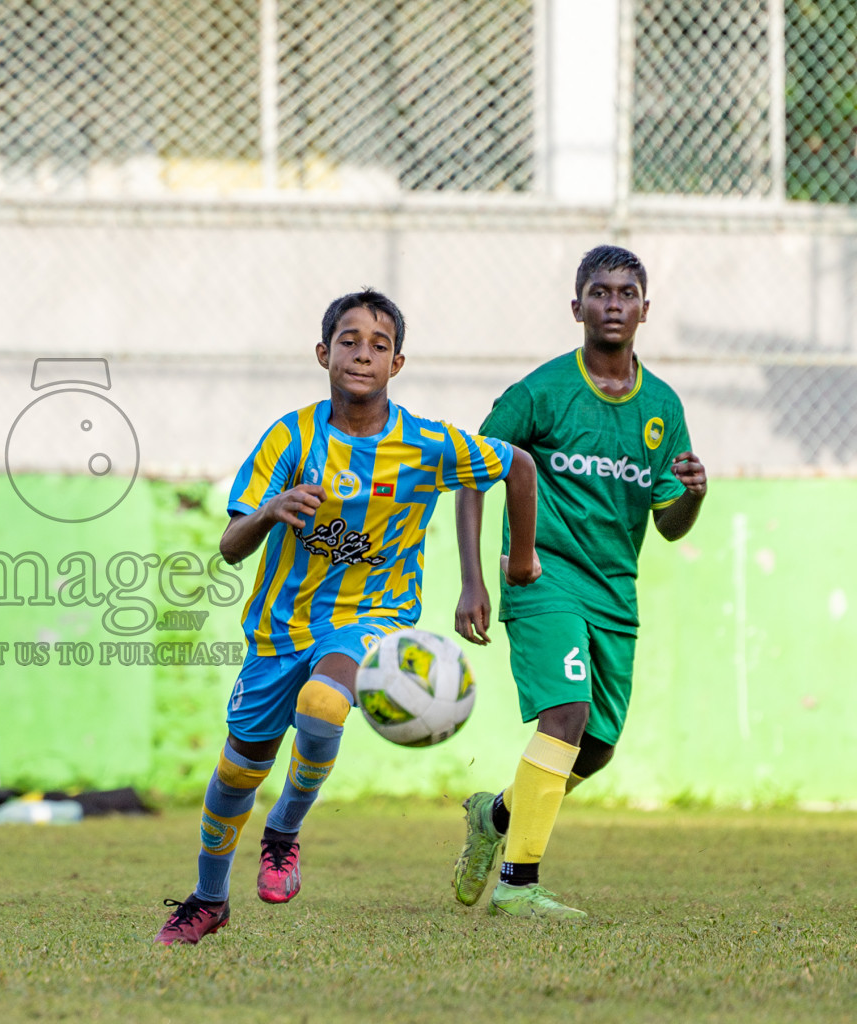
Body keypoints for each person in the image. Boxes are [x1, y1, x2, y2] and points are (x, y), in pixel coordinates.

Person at [156, 288, 540, 945]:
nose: (363, 353)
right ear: (323, 353)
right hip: (279, 630)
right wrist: (269, 511)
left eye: (379, 344)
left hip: (375, 617)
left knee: (325, 702)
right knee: (234, 774)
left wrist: (516, 563)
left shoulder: (425, 444)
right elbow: (228, 545)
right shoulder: (292, 436)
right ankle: (209, 898)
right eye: (349, 340)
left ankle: (285, 828)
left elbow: (517, 465)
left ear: (397, 364)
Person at [451, 245, 707, 920]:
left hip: (615, 591)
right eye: (600, 292)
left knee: (593, 747)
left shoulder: (662, 407)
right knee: (565, 715)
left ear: (645, 310)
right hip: (542, 576)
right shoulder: (540, 393)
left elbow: (671, 525)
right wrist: (474, 580)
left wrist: (695, 497)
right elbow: (473, 474)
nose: (614, 303)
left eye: (627, 293)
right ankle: (517, 884)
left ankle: (498, 815)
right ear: (577, 308)